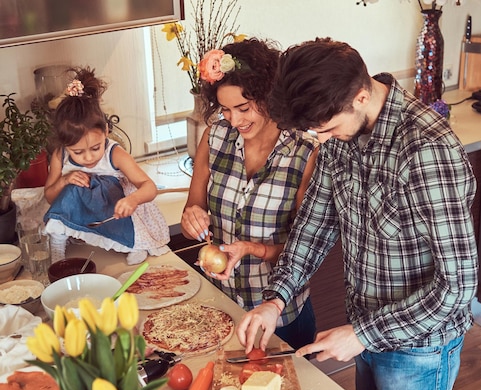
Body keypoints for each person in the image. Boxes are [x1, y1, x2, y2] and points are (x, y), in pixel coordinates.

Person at [236, 38, 479, 390]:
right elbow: (315, 222)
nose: (324, 140)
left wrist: (363, 335)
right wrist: (275, 300)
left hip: (418, 349)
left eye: (329, 129)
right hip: (364, 326)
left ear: (362, 97)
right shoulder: (339, 130)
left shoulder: (426, 149)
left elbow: (458, 286)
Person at [179, 38, 318, 350]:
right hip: (222, 309)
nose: (235, 120)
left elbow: (307, 249)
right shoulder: (214, 138)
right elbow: (193, 209)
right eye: (225, 109)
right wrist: (191, 219)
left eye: (243, 108)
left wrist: (253, 249)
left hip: (280, 317)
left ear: (269, 94)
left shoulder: (304, 153)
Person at [44, 67, 170, 265]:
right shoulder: (60, 155)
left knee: (118, 207)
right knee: (71, 191)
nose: (87, 158)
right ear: (65, 144)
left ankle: (135, 245)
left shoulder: (115, 154)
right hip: (84, 211)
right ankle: (58, 244)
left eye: (95, 148)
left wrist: (134, 200)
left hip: (113, 210)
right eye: (77, 152)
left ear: (105, 130)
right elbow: (51, 198)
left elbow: (149, 187)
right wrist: (64, 180)